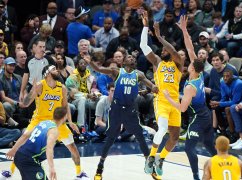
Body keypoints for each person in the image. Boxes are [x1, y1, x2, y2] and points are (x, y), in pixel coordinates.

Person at [3, 65, 90, 180]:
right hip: (40, 119)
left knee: (73, 147)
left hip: (56, 121)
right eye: (53, 69)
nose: (57, 70)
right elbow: (25, 103)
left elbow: (65, 106)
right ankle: (9, 171)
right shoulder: (40, 85)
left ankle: (80, 173)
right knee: (25, 138)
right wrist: (32, 91)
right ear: (47, 73)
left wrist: (70, 121)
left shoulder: (62, 87)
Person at [81, 53, 158, 180]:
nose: (132, 58)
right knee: (111, 138)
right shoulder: (116, 71)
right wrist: (90, 62)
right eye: (129, 57)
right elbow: (99, 69)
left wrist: (155, 87)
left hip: (130, 109)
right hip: (116, 109)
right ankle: (100, 166)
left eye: (133, 57)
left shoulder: (139, 74)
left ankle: (150, 166)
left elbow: (152, 86)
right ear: (123, 61)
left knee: (140, 137)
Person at [163, 15, 215, 180]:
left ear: (193, 68)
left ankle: (195, 177)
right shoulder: (199, 75)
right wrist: (185, 30)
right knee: (208, 144)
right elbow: (190, 47)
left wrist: (168, 97)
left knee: (188, 148)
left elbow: (182, 108)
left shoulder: (190, 87)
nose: (188, 63)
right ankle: (225, 164)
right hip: (206, 115)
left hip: (198, 118)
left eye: (190, 63)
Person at [140, 11, 184, 177]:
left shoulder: (179, 63)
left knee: (174, 137)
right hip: (161, 100)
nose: (165, 51)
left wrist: (159, 37)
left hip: (175, 103)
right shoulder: (157, 62)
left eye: (167, 49)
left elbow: (173, 50)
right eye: (163, 49)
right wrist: (145, 27)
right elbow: (144, 46)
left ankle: (161, 159)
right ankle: (151, 158)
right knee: (163, 128)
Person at [14, 107, 67, 180]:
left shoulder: (44, 122)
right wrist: (52, 167)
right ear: (64, 117)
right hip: (29, 160)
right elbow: (49, 148)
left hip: (19, 155)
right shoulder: (54, 131)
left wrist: (14, 149)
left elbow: (25, 135)